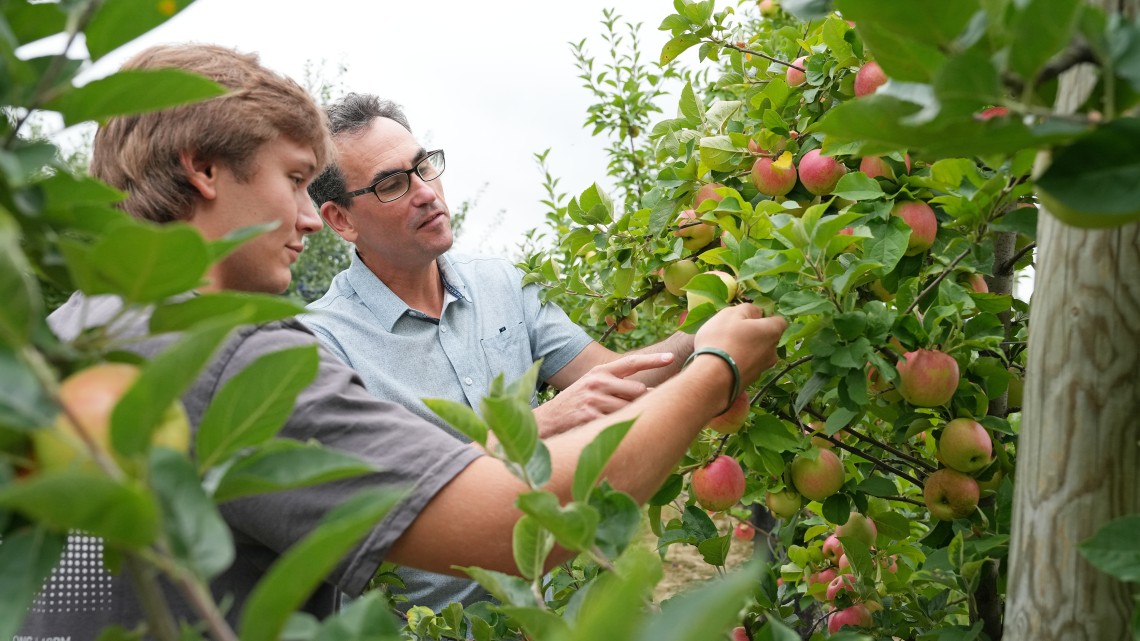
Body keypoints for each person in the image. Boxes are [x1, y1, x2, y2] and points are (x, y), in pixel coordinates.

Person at [19, 43, 787, 639]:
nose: (309, 216)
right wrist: (715, 369)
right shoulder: (244, 355)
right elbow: (525, 519)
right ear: (204, 168)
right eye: (293, 180)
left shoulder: (64, 336)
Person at [301, 94, 703, 610]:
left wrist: (709, 325)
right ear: (340, 220)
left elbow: (614, 378)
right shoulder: (322, 346)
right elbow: (383, 504)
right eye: (392, 184)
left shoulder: (503, 284)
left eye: (424, 166)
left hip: (550, 612)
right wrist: (533, 428)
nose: (425, 192)